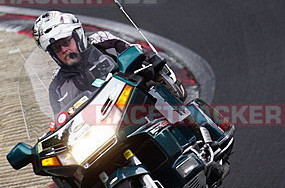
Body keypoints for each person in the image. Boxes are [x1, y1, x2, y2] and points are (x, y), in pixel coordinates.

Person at [32, 10, 184, 115]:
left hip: (139, 104)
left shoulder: (104, 42)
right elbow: (60, 122)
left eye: (66, 42)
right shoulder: (57, 86)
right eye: (57, 48)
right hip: (104, 128)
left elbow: (141, 55)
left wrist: (146, 65)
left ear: (78, 36)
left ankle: (197, 130)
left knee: (160, 88)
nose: (64, 49)